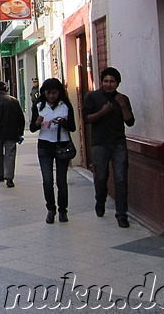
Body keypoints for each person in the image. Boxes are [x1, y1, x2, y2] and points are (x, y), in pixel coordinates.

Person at [83, 67, 135, 228]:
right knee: (100, 176)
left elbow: (130, 121)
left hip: (118, 142)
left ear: (117, 83)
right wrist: (103, 112)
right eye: (106, 81)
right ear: (102, 81)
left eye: (112, 81)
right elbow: (86, 119)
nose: (109, 84)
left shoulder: (122, 98)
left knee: (120, 178)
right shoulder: (92, 97)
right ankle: (100, 201)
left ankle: (121, 214)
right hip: (100, 143)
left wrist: (123, 105)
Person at [29, 78, 76, 224]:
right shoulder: (38, 106)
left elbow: (73, 127)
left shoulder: (66, 105)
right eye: (48, 93)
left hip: (62, 145)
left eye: (54, 93)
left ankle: (63, 210)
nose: (51, 96)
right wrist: (37, 122)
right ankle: (50, 209)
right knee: (47, 180)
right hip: (45, 146)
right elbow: (32, 128)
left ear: (59, 92)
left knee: (61, 181)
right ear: (44, 92)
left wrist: (64, 123)